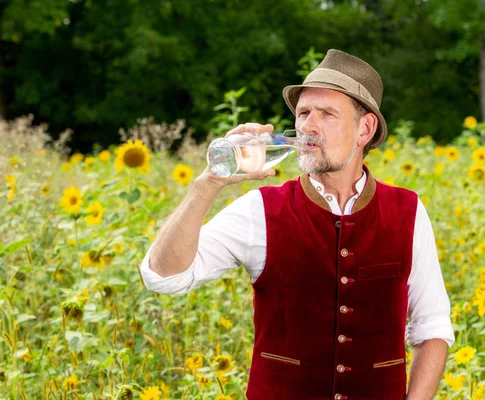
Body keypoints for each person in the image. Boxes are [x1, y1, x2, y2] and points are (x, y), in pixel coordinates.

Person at [141, 49, 454, 400]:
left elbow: (433, 327)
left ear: (364, 129)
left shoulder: (407, 211)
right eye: (303, 112)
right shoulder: (260, 210)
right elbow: (163, 276)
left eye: (327, 114)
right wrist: (208, 183)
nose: (308, 126)